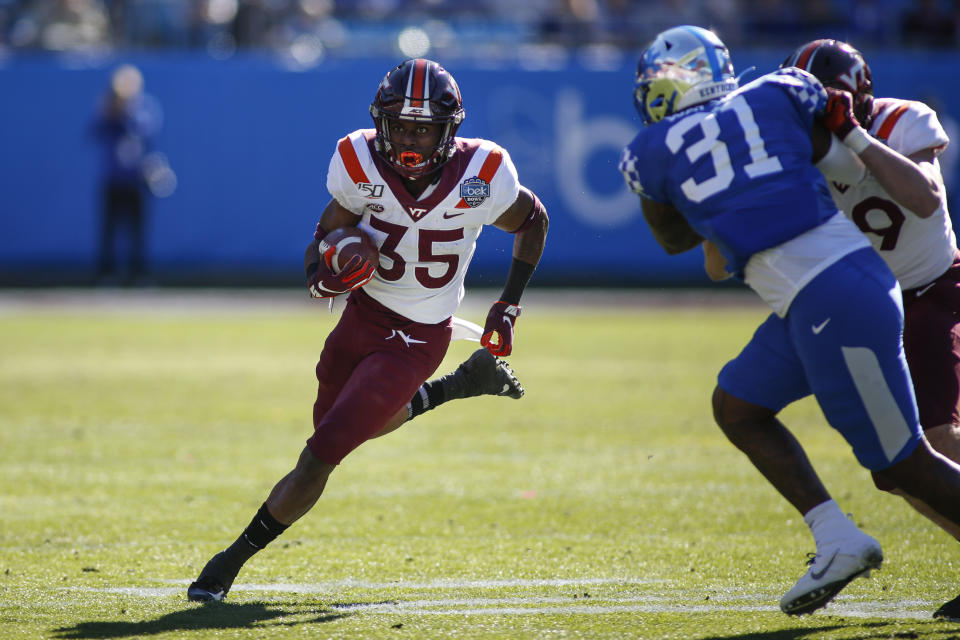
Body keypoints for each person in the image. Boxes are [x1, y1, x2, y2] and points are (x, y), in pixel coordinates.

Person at [618, 25, 960, 617]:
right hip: (816, 300)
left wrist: (702, 183)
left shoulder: (651, 151)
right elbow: (842, 172)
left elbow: (672, 237)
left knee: (904, 464)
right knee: (737, 405)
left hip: (840, 294)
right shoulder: (778, 96)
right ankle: (837, 538)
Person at [187, 58, 549, 602]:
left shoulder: (484, 173)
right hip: (363, 315)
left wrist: (509, 305)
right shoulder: (357, 160)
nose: (409, 138)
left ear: (448, 131)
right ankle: (459, 385)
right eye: (400, 126)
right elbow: (330, 225)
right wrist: (320, 270)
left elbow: (533, 219)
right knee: (344, 424)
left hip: (422, 333)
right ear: (381, 123)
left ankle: (228, 564)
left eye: (422, 128)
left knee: (321, 453)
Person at [771, 39, 960, 621]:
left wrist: (853, 133)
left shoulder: (904, 119)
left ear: (862, 99)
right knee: (894, 469)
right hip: (866, 304)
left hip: (932, 289)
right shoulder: (797, 149)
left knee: (937, 437)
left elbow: (925, 198)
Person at [92, 64, 172, 286]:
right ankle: (105, 274)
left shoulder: (145, 106)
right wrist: (111, 112)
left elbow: (145, 130)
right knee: (110, 229)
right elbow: (95, 132)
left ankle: (138, 274)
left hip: (136, 180)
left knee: (137, 231)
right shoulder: (108, 108)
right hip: (113, 179)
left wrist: (126, 113)